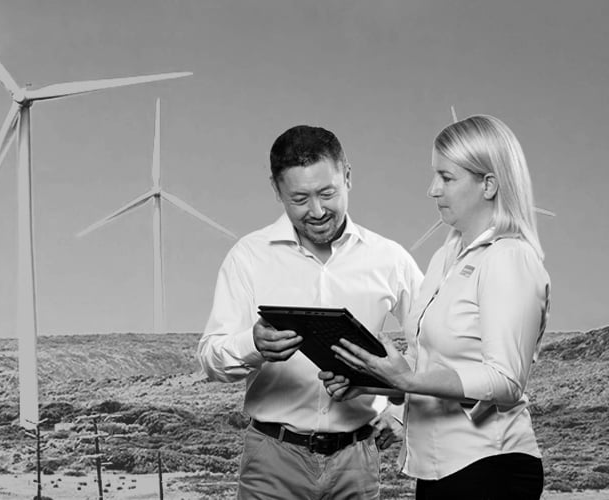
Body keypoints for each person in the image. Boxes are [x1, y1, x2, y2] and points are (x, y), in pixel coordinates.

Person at [322, 114, 550, 499]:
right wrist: (370, 378)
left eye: (446, 177)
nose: (432, 189)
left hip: (491, 467)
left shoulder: (510, 258)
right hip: (438, 469)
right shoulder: (447, 256)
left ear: (489, 184)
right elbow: (430, 367)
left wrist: (408, 380)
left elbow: (507, 380)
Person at [197, 124, 423, 500]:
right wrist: (252, 344)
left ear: (348, 176)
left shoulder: (391, 259)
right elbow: (210, 357)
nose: (316, 211)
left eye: (327, 193)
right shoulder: (248, 257)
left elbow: (435, 343)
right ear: (276, 190)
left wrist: (400, 409)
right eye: (299, 199)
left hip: (357, 461)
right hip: (271, 461)